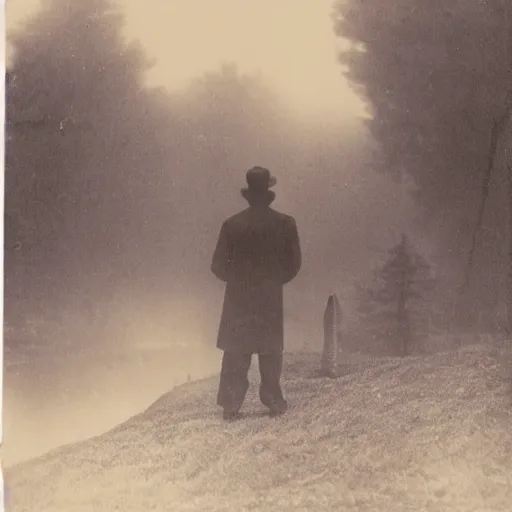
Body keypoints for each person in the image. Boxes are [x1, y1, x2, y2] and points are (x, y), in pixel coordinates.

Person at [211, 166, 302, 421]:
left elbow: (217, 265)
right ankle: (273, 400)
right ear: (268, 193)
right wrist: (271, 282)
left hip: (238, 300)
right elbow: (293, 264)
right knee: (270, 350)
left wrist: (240, 282)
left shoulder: (232, 225)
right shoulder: (285, 224)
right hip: (269, 297)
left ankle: (231, 404)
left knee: (236, 351)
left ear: (248, 194)